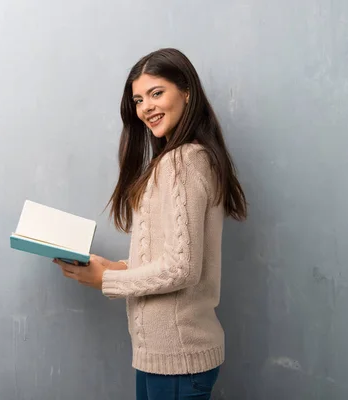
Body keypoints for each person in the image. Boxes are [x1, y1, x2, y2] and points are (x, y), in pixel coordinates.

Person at [53, 48, 247, 400]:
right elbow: (172, 254)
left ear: (186, 91)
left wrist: (107, 280)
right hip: (165, 360)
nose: (146, 108)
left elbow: (182, 268)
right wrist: (118, 266)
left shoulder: (184, 161)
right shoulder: (181, 160)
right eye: (139, 99)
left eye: (157, 93)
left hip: (179, 360)